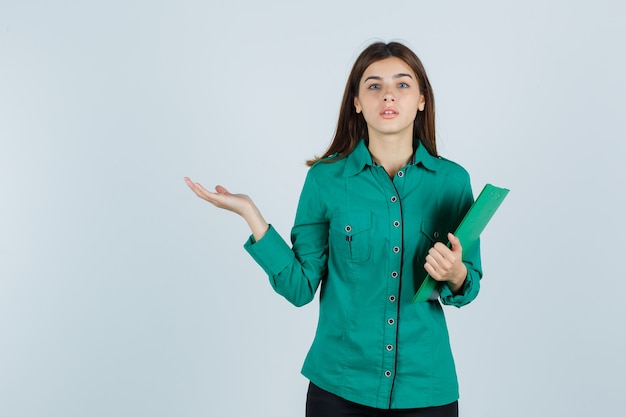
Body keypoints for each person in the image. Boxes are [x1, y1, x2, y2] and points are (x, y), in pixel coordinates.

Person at [185, 41, 482, 417]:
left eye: (402, 84)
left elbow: (469, 284)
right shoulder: (325, 180)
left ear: (422, 99)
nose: (388, 94)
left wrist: (456, 275)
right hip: (339, 389)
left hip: (426, 389)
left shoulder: (452, 182)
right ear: (356, 101)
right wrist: (251, 214)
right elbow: (299, 287)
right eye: (373, 85)